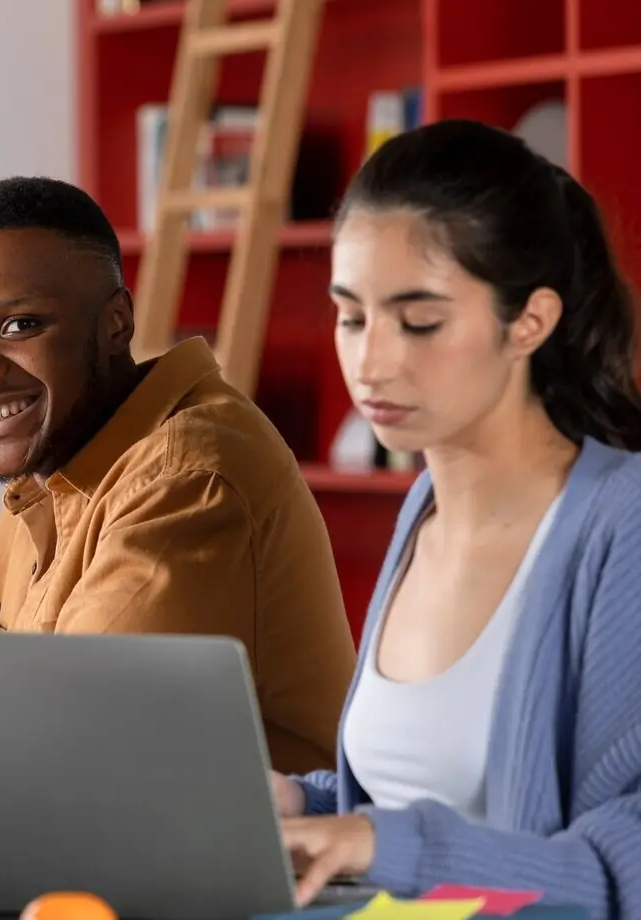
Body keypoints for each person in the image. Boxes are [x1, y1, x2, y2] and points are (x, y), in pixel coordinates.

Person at [0, 176, 356, 775]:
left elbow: (78, 757)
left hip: (224, 866)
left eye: (19, 326)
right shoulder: (44, 473)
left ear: (116, 326)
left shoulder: (188, 480)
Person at [271, 119, 641, 917]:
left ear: (530, 322)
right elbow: (428, 792)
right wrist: (303, 803)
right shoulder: (423, 510)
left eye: (420, 322)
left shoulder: (623, 527)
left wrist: (383, 845)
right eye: (351, 317)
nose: (371, 363)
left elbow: (625, 870)